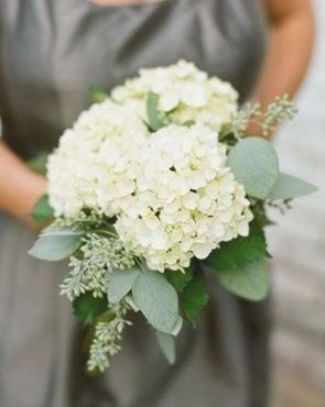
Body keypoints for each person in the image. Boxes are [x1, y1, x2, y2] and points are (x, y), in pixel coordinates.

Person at [0, 1, 314, 406]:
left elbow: (293, 17)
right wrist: (61, 212)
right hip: (47, 270)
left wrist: (253, 142)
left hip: (205, 247)